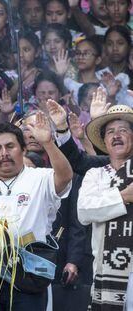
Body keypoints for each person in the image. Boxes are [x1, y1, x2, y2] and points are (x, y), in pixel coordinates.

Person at [0, 119, 73, 310]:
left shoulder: (40, 177)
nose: (4, 154)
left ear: (23, 149)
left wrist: (48, 143)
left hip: (28, 278)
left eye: (10, 146)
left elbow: (66, 176)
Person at [77, 105, 133, 310]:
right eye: (110, 132)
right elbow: (84, 212)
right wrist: (123, 196)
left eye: (123, 130)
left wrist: (107, 201)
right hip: (105, 272)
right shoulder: (95, 174)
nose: (116, 136)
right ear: (105, 142)